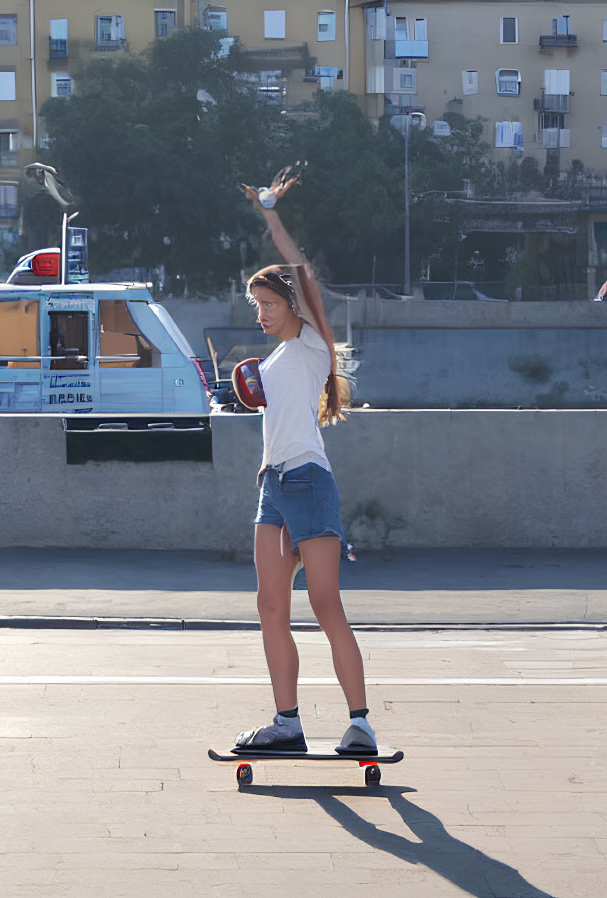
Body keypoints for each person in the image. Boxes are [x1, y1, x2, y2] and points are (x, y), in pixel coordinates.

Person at [233, 167, 376, 754]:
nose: (261, 314)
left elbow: (299, 268)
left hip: (311, 482)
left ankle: (361, 724)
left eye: (268, 303)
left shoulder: (314, 340)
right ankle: (287, 723)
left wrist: (269, 211)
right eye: (255, 306)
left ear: (291, 304)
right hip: (272, 483)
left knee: (324, 605)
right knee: (270, 606)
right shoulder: (269, 363)